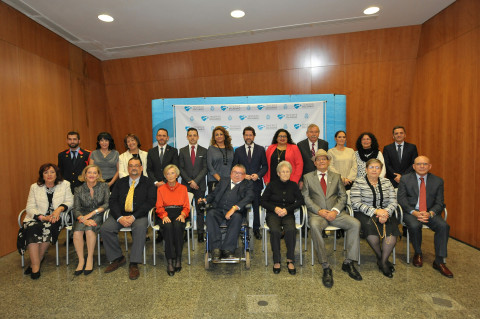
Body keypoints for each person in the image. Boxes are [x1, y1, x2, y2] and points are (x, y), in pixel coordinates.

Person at [301, 150, 362, 288]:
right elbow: (306, 197)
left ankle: (349, 262)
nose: (322, 161)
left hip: (336, 214)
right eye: (319, 159)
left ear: (328, 162)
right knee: (314, 226)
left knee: (355, 224)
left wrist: (334, 211)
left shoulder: (336, 176)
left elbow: (343, 196)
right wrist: (319, 210)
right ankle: (325, 265)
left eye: (324, 159)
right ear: (315, 163)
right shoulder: (307, 177)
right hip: (318, 214)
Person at [100, 157, 156, 280]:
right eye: (131, 165)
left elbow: (150, 201)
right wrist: (119, 217)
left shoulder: (148, 182)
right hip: (120, 214)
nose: (134, 168)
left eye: (136, 165)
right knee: (105, 229)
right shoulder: (120, 182)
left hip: (139, 215)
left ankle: (134, 263)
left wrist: (134, 216)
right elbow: (112, 200)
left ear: (141, 168)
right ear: (127, 168)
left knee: (140, 228)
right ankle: (118, 258)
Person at [397, 156, 453, 278]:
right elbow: (401, 200)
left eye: (425, 164)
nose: (422, 166)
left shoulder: (438, 181)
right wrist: (414, 212)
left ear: (429, 166)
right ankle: (418, 253)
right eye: (419, 164)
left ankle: (439, 261)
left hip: (430, 212)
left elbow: (440, 203)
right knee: (414, 225)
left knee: (444, 226)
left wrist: (431, 213)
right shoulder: (405, 179)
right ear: (414, 166)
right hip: (411, 212)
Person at [17, 163, 73, 279]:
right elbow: (30, 207)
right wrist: (42, 217)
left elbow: (70, 201)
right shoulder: (35, 187)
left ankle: (34, 264)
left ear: (56, 174)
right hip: (37, 218)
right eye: (46, 172)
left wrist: (59, 209)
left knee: (47, 227)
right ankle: (36, 266)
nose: (49, 175)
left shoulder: (65, 184)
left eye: (52, 172)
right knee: (32, 228)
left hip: (56, 218)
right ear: (42, 175)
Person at [350, 158, 399, 278]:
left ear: (381, 170)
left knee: (391, 234)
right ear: (366, 169)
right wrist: (376, 211)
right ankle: (381, 257)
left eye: (377, 167)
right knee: (372, 232)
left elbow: (393, 201)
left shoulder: (387, 182)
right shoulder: (358, 182)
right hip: (364, 213)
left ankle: (382, 262)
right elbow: (355, 202)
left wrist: (385, 212)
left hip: (386, 213)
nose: (374, 170)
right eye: (371, 167)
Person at [200, 164, 254, 262]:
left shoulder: (248, 184)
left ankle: (228, 249)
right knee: (210, 214)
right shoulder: (224, 180)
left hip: (235, 212)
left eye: (240, 173)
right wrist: (205, 200)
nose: (237, 175)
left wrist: (234, 208)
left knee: (237, 218)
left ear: (244, 175)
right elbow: (213, 194)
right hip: (219, 209)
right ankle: (216, 249)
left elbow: (249, 197)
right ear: (231, 173)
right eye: (235, 172)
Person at [260, 161, 304, 275]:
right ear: (278, 173)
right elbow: (263, 201)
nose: (285, 174)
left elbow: (300, 201)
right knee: (275, 231)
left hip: (288, 214)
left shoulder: (294, 185)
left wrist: (287, 210)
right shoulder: (271, 185)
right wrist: (275, 208)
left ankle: (290, 260)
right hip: (273, 214)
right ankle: (276, 260)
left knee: (291, 230)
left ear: (290, 172)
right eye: (283, 172)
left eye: (287, 171)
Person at [72, 164, 110, 276]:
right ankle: (81, 260)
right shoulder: (78, 189)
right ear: (85, 175)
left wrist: (93, 213)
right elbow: (76, 209)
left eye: (95, 173)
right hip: (82, 216)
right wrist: (83, 219)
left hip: (99, 214)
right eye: (89, 172)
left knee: (89, 230)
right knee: (77, 232)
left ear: (98, 175)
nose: (92, 175)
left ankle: (89, 258)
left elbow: (107, 203)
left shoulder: (104, 186)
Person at [233, 126, 268, 240]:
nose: (248, 137)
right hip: (242, 186)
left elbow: (265, 166)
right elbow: (234, 167)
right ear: (243, 136)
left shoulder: (261, 149)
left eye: (250, 135)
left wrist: (258, 175)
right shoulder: (238, 150)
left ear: (254, 136)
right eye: (246, 135)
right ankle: (243, 229)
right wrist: (243, 176)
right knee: (242, 208)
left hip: (256, 184)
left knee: (256, 207)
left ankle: (256, 229)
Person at [155, 165, 190, 276]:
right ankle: (170, 260)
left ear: (177, 175)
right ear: (165, 176)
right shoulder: (160, 189)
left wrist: (183, 214)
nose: (170, 176)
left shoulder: (183, 188)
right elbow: (159, 206)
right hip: (165, 213)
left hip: (179, 213)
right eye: (168, 173)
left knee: (178, 226)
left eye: (172, 173)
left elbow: (186, 206)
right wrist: (164, 215)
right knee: (168, 227)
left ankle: (178, 258)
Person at [178, 127, 208, 242]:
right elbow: (180, 168)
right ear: (187, 137)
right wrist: (190, 181)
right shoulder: (182, 151)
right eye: (190, 135)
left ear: (198, 137)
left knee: (200, 209)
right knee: (186, 209)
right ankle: (187, 232)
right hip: (186, 185)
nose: (192, 137)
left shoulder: (204, 151)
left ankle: (200, 233)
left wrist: (196, 181)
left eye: (194, 135)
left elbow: (205, 168)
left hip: (200, 185)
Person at [297, 123, 328, 189]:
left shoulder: (324, 144)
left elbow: (326, 162)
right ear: (307, 133)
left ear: (319, 133)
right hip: (306, 178)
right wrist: (300, 180)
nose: (314, 134)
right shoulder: (300, 145)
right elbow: (299, 164)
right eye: (311, 132)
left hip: (321, 177)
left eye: (316, 132)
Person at [206, 126, 234, 192]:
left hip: (229, 181)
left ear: (225, 136)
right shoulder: (211, 149)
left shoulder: (230, 149)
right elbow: (209, 165)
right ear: (214, 137)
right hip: (214, 180)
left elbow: (233, 164)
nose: (219, 136)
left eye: (221, 134)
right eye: (216, 135)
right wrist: (219, 178)